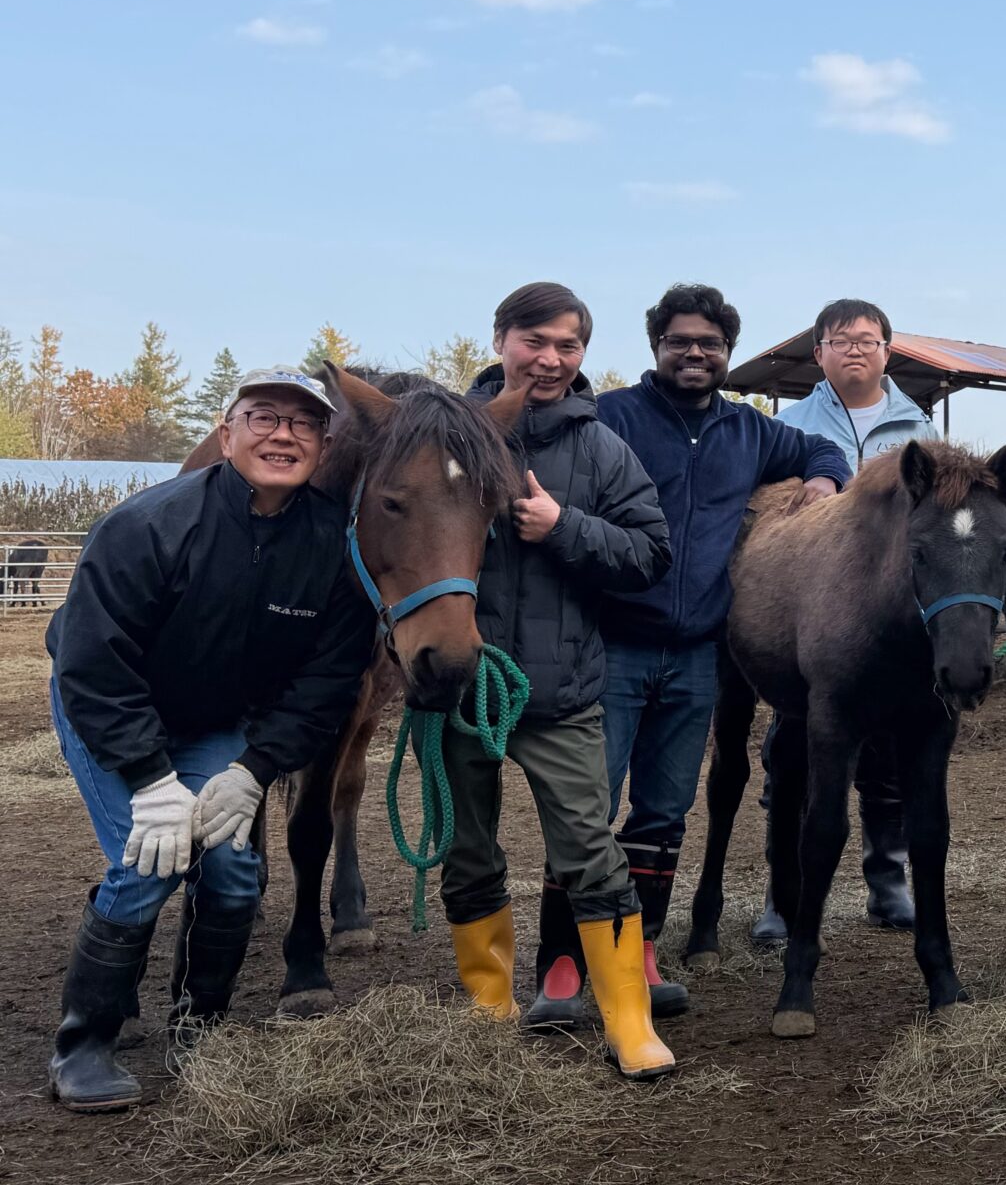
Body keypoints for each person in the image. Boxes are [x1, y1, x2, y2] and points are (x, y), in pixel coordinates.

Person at [45, 368, 375, 1111]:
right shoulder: (148, 525)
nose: (282, 434)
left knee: (229, 868)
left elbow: (326, 684)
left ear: (324, 447)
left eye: (303, 425)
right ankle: (85, 1043)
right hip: (111, 710)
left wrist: (255, 770)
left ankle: (202, 1026)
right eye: (262, 417)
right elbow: (92, 664)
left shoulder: (333, 549)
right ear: (226, 434)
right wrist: (153, 781)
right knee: (151, 856)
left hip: (217, 721)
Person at [589, 284, 848, 1012]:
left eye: (709, 343)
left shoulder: (750, 431)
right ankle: (573, 954)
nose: (695, 353)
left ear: (727, 353)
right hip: (615, 646)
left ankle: (639, 947)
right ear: (656, 348)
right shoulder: (611, 418)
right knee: (593, 805)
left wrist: (824, 480)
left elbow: (821, 445)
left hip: (699, 650)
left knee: (664, 812)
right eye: (680, 341)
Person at [445, 283, 677, 1081]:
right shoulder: (447, 437)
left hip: (562, 690)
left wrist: (563, 528)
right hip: (463, 688)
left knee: (588, 851)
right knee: (469, 851)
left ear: (583, 356)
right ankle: (489, 1004)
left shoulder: (602, 448)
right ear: (500, 338)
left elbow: (652, 554)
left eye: (567, 346)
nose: (548, 360)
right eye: (533, 341)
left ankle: (628, 1021)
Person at [769, 297, 941, 935]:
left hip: (891, 622)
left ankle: (886, 878)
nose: (856, 350)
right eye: (841, 341)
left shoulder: (917, 427)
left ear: (887, 352)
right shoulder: (791, 425)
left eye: (868, 340)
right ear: (819, 353)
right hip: (813, 612)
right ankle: (780, 891)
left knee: (890, 764)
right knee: (791, 753)